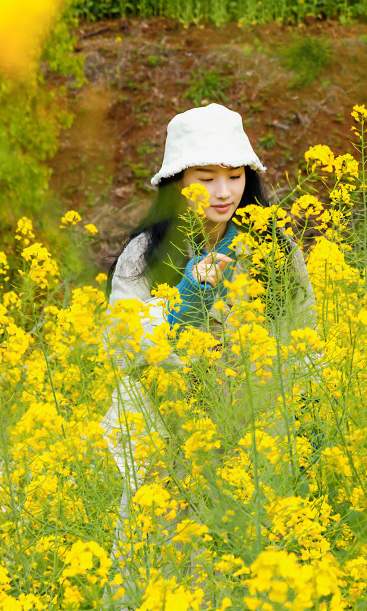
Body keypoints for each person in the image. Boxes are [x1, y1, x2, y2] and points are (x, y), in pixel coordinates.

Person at [99, 104, 318, 594]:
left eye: (235, 176)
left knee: (251, 573)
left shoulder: (276, 251)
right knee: (167, 574)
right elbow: (126, 349)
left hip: (258, 442)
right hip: (173, 443)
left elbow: (305, 340)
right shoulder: (144, 254)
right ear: (178, 181)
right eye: (206, 176)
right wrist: (186, 306)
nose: (223, 192)